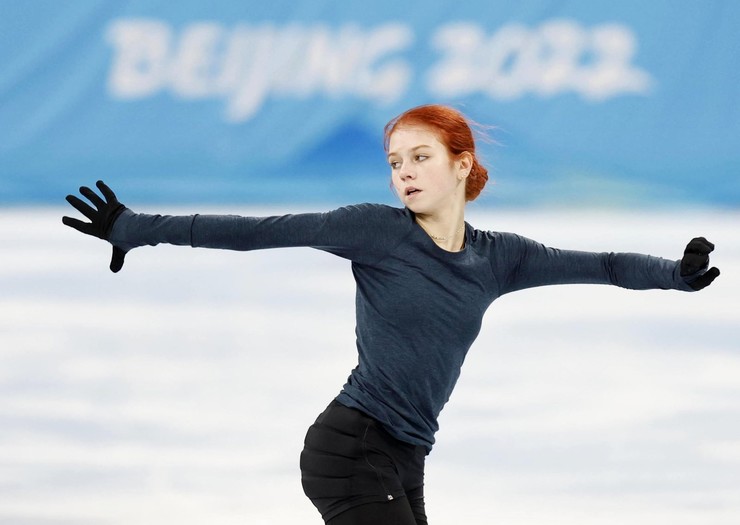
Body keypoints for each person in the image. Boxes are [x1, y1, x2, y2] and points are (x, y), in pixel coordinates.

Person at [62, 104, 720, 525]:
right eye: (395, 162)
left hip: (406, 454)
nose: (403, 172)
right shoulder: (374, 230)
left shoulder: (501, 257)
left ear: (462, 164)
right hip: (353, 447)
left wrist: (677, 275)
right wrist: (137, 228)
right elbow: (256, 231)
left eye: (420, 157)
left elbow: (603, 264)